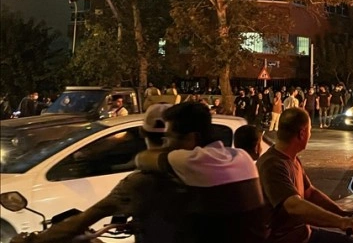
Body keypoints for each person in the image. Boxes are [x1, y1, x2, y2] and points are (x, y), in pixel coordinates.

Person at [9, 103, 191, 243]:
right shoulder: (204, 173)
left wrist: (33, 240)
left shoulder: (142, 182)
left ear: (143, 134)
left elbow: (82, 220)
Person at [135, 102, 268, 243]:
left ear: (192, 137)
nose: (166, 144)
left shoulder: (191, 161)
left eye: (169, 137)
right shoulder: (243, 156)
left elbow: (142, 159)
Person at [256, 108, 353, 243]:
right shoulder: (272, 165)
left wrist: (342, 213)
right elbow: (294, 205)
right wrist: (341, 222)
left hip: (303, 233)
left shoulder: (291, 158)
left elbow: (310, 192)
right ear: (302, 133)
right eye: (309, 130)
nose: (310, 134)